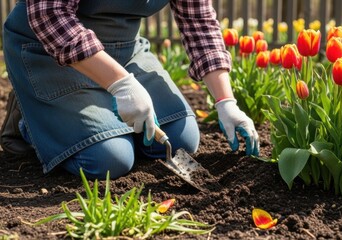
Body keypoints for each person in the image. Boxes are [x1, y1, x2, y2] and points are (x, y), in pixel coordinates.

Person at [0, 0, 259, 180]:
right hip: (48, 51)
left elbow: (199, 23)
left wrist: (226, 102)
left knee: (182, 139)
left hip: (123, 49)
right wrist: (121, 83)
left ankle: (94, 116)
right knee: (109, 159)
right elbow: (49, 15)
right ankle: (29, 117)